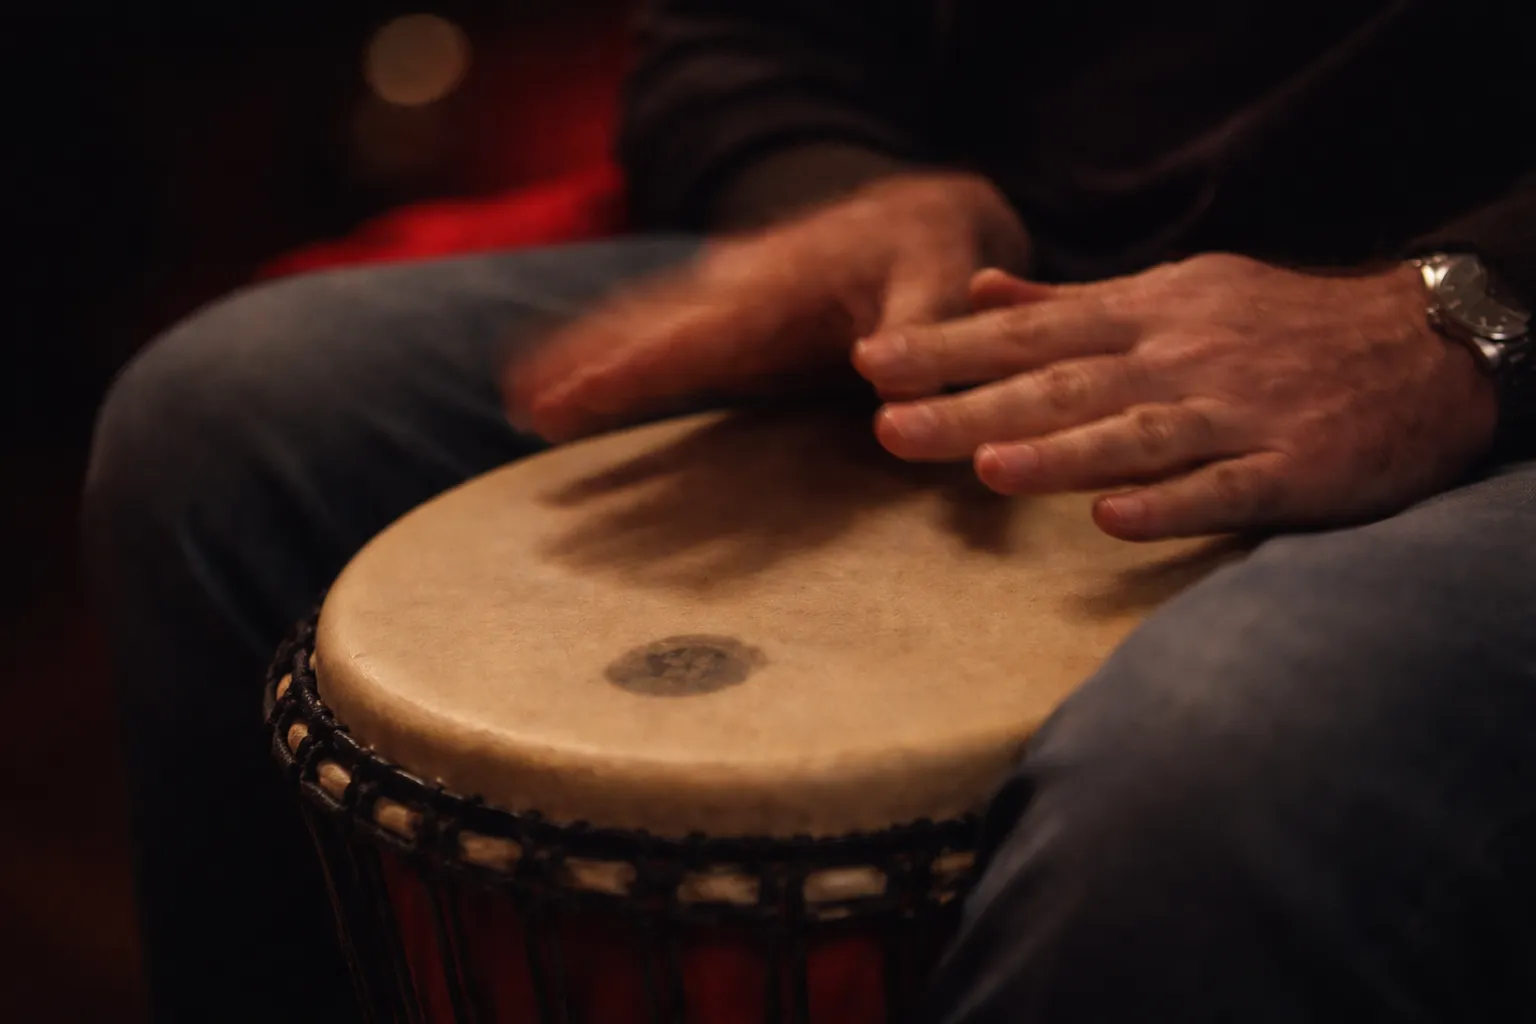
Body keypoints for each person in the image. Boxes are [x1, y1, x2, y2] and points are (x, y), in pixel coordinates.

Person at [84, 1, 1536, 1020]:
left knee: (1227, 741)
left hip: (1483, 341)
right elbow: (744, 38)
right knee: (229, 424)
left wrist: (1469, 312)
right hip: (1020, 273)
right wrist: (846, 191)